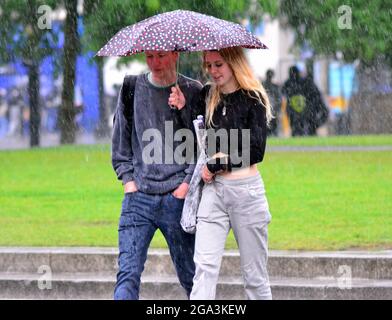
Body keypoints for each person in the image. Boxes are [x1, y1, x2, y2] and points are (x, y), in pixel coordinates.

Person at [170, 46, 273, 300]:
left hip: (246, 192)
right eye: (209, 65)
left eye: (218, 64)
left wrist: (216, 165)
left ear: (233, 62)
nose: (213, 71)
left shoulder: (253, 99)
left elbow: (256, 150)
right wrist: (182, 107)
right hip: (213, 193)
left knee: (254, 276)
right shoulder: (208, 96)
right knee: (203, 269)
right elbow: (190, 137)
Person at [111, 51, 202, 300]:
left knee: (191, 277)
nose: (155, 63)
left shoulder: (194, 90)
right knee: (127, 275)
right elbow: (120, 142)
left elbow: (203, 147)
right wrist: (128, 181)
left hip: (178, 199)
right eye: (150, 56)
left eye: (161, 56)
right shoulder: (131, 86)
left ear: (175, 54)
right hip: (138, 198)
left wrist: (185, 184)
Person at [281, 66, 309, 136]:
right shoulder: (302, 81)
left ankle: (295, 133)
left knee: (293, 122)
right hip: (301, 104)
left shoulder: (287, 82)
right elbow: (307, 92)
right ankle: (301, 133)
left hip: (291, 105)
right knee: (301, 121)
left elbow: (283, 92)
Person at [262, 69, 282, 136]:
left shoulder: (261, 86)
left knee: (266, 130)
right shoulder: (275, 87)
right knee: (273, 129)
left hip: (266, 111)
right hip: (272, 111)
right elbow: (279, 100)